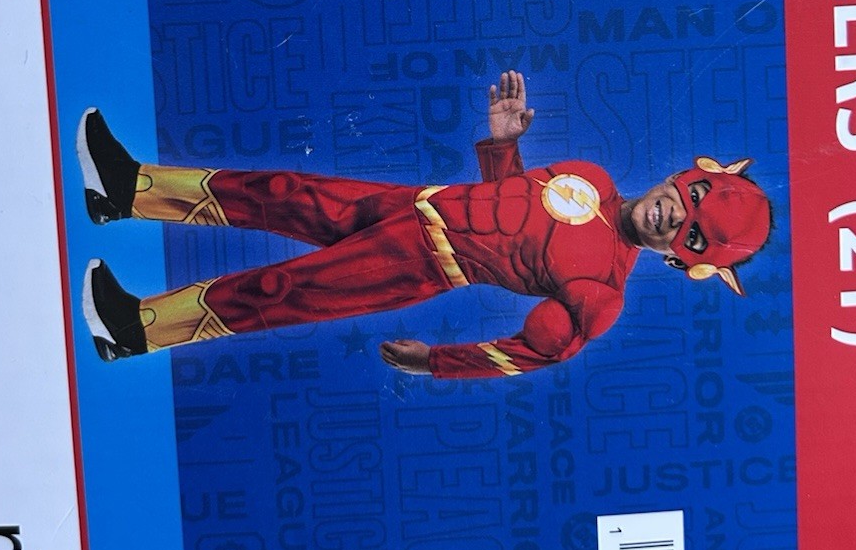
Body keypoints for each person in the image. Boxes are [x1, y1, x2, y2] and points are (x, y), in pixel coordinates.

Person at [78, 71, 772, 378]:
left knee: (281, 290)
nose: (675, 214)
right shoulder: (589, 176)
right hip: (416, 204)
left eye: (693, 234)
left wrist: (437, 361)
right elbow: (508, 204)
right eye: (692, 196)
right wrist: (501, 143)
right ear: (684, 173)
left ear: (690, 262)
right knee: (282, 192)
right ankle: (128, 190)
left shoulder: (602, 291)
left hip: (421, 262)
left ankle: (136, 329)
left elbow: (531, 353)